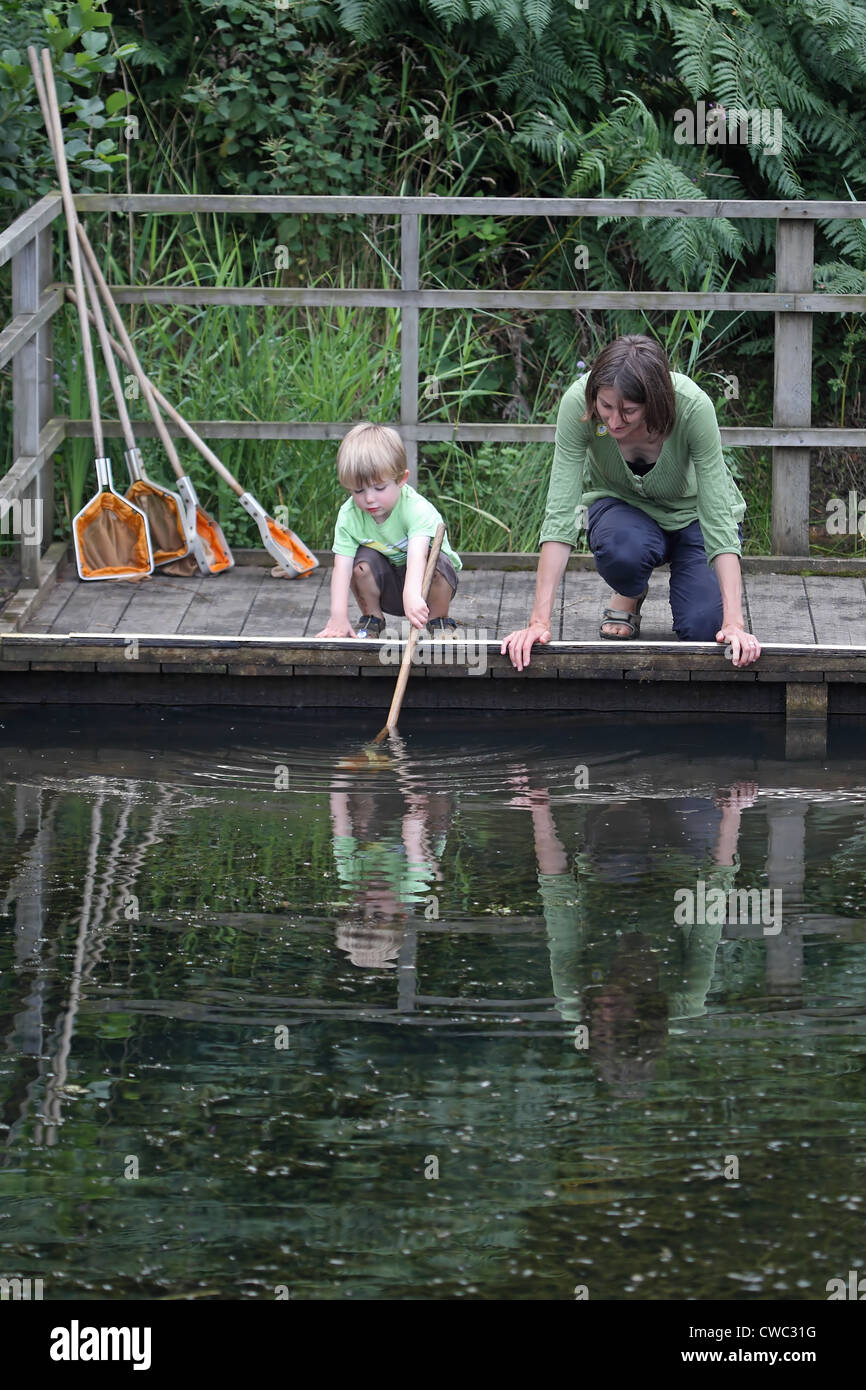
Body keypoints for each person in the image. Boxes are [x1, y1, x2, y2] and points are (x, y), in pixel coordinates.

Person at [501, 335, 762, 669]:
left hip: (693, 517)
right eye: (606, 407)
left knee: (705, 631)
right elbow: (561, 511)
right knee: (621, 549)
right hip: (624, 513)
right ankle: (631, 590)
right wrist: (538, 622)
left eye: (629, 411)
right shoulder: (577, 404)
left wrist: (734, 624)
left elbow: (717, 515)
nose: (613, 421)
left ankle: (687, 592)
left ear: (654, 401)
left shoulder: (693, 406)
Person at [316, 422, 462, 639]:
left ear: (401, 479)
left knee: (437, 562)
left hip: (427, 586)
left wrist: (412, 595)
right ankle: (372, 618)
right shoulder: (349, 516)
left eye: (379, 488)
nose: (369, 498)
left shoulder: (416, 509)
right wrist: (338, 616)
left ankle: (438, 620)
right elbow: (341, 568)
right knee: (360, 563)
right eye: (358, 490)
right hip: (386, 586)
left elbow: (418, 556)